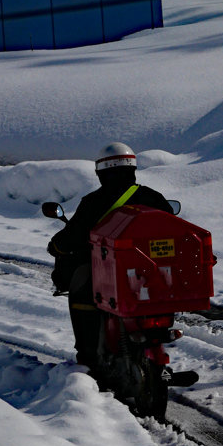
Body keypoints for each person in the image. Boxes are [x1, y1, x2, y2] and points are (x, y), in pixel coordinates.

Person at [48, 142, 174, 368]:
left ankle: (89, 358)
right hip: (148, 274)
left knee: (82, 292)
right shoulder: (153, 198)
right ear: (132, 169)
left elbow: (73, 236)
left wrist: (56, 247)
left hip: (107, 277)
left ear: (101, 172)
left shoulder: (94, 202)